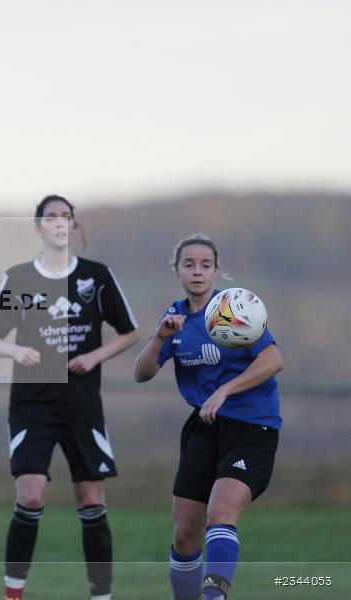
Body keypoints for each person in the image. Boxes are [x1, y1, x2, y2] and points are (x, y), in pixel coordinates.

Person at [0, 195, 139, 600]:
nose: (57, 223)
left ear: (73, 226)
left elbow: (129, 332)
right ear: (38, 228)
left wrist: (94, 356)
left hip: (82, 404)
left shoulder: (96, 276)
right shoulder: (18, 278)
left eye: (65, 217)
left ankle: (100, 596)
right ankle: (12, 595)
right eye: (49, 217)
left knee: (91, 498)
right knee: (31, 494)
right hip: (32, 405)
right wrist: (16, 350)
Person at [133, 233, 282, 600]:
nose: (197, 272)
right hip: (204, 429)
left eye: (205, 265)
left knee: (220, 513)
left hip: (251, 427)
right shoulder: (175, 318)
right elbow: (142, 373)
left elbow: (273, 360)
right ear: (177, 271)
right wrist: (157, 337)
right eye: (189, 264)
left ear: (216, 271)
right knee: (184, 536)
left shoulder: (233, 308)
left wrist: (225, 390)